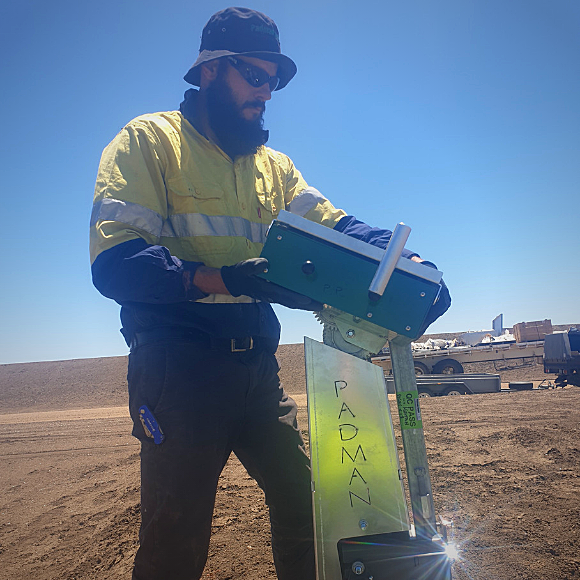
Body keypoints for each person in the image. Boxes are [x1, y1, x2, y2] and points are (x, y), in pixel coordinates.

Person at [90, 7, 450, 580]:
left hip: (258, 373)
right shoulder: (148, 143)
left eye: (273, 80)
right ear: (210, 71)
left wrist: (406, 262)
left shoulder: (273, 168)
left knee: (307, 506)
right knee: (175, 535)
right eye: (255, 77)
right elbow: (117, 265)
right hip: (178, 370)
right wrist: (218, 279)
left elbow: (336, 226)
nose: (268, 93)